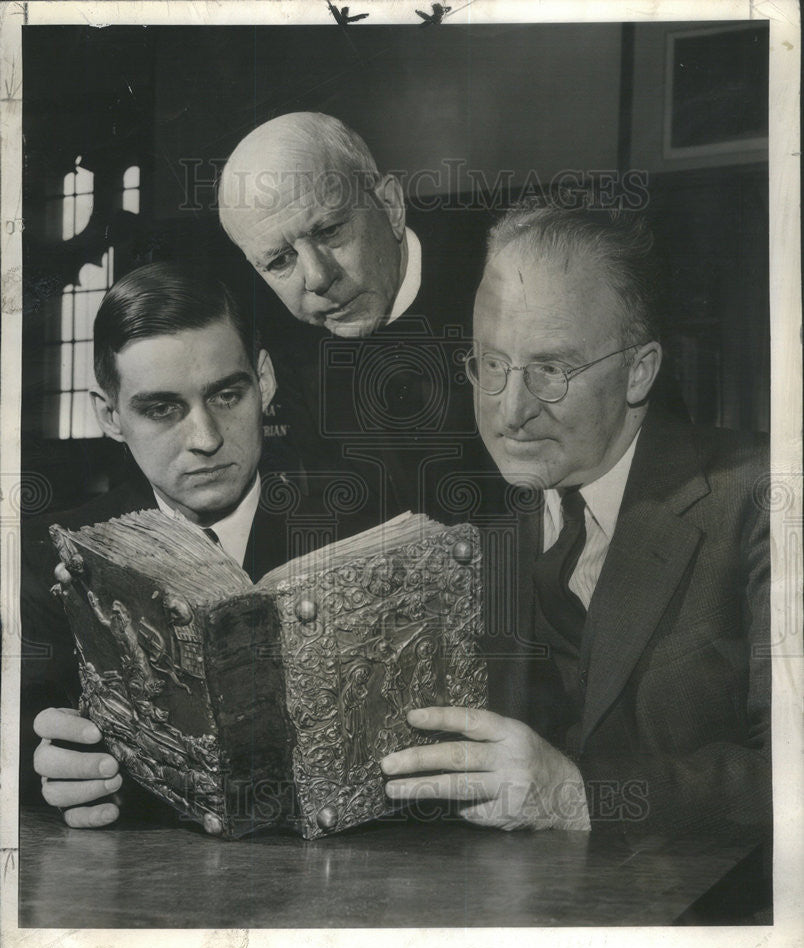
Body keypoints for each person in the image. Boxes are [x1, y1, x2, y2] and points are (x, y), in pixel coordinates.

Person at [379, 204, 770, 841]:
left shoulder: (763, 499)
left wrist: (576, 796)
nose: (510, 412)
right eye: (492, 364)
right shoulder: (468, 535)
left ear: (639, 371)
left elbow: (789, 776)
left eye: (551, 370)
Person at [23, 263, 290, 828]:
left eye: (226, 394)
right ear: (110, 416)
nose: (206, 439)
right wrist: (40, 763)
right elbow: (22, 724)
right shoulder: (43, 556)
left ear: (263, 381)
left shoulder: (363, 526)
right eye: (162, 409)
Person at [218, 111, 496, 525]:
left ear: (391, 206)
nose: (317, 278)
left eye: (329, 231)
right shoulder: (275, 364)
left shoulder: (501, 283)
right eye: (279, 261)